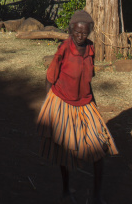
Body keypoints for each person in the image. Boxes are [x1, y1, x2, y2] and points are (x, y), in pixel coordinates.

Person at [37, 10, 118, 204]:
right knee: (65, 152)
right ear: (71, 31)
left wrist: (94, 107)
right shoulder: (64, 49)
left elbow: (88, 81)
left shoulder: (91, 49)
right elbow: (50, 77)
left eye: (85, 33)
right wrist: (49, 105)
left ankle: (97, 195)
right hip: (62, 102)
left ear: (90, 32)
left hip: (86, 103)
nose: (81, 36)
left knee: (99, 147)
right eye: (77, 33)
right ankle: (66, 190)